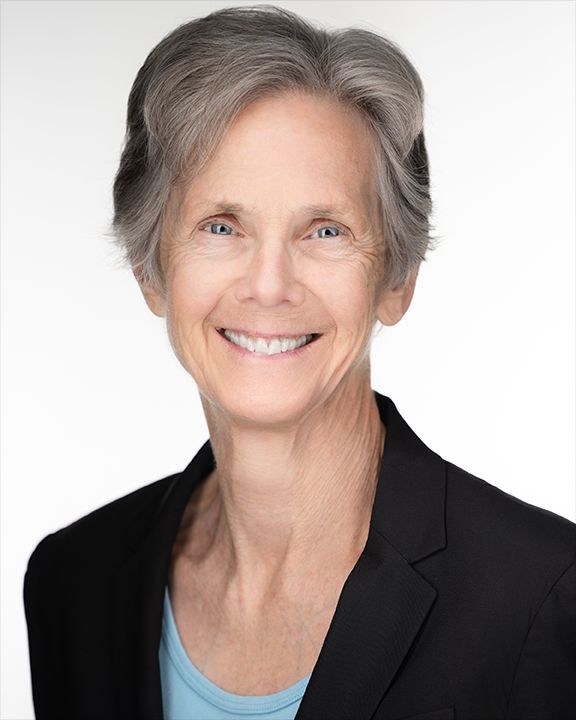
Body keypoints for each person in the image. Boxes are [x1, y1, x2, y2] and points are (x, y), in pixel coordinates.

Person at [23, 5, 575, 720]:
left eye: (325, 231)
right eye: (221, 226)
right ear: (149, 269)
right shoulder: (74, 582)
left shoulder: (542, 596)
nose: (269, 285)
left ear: (398, 278)